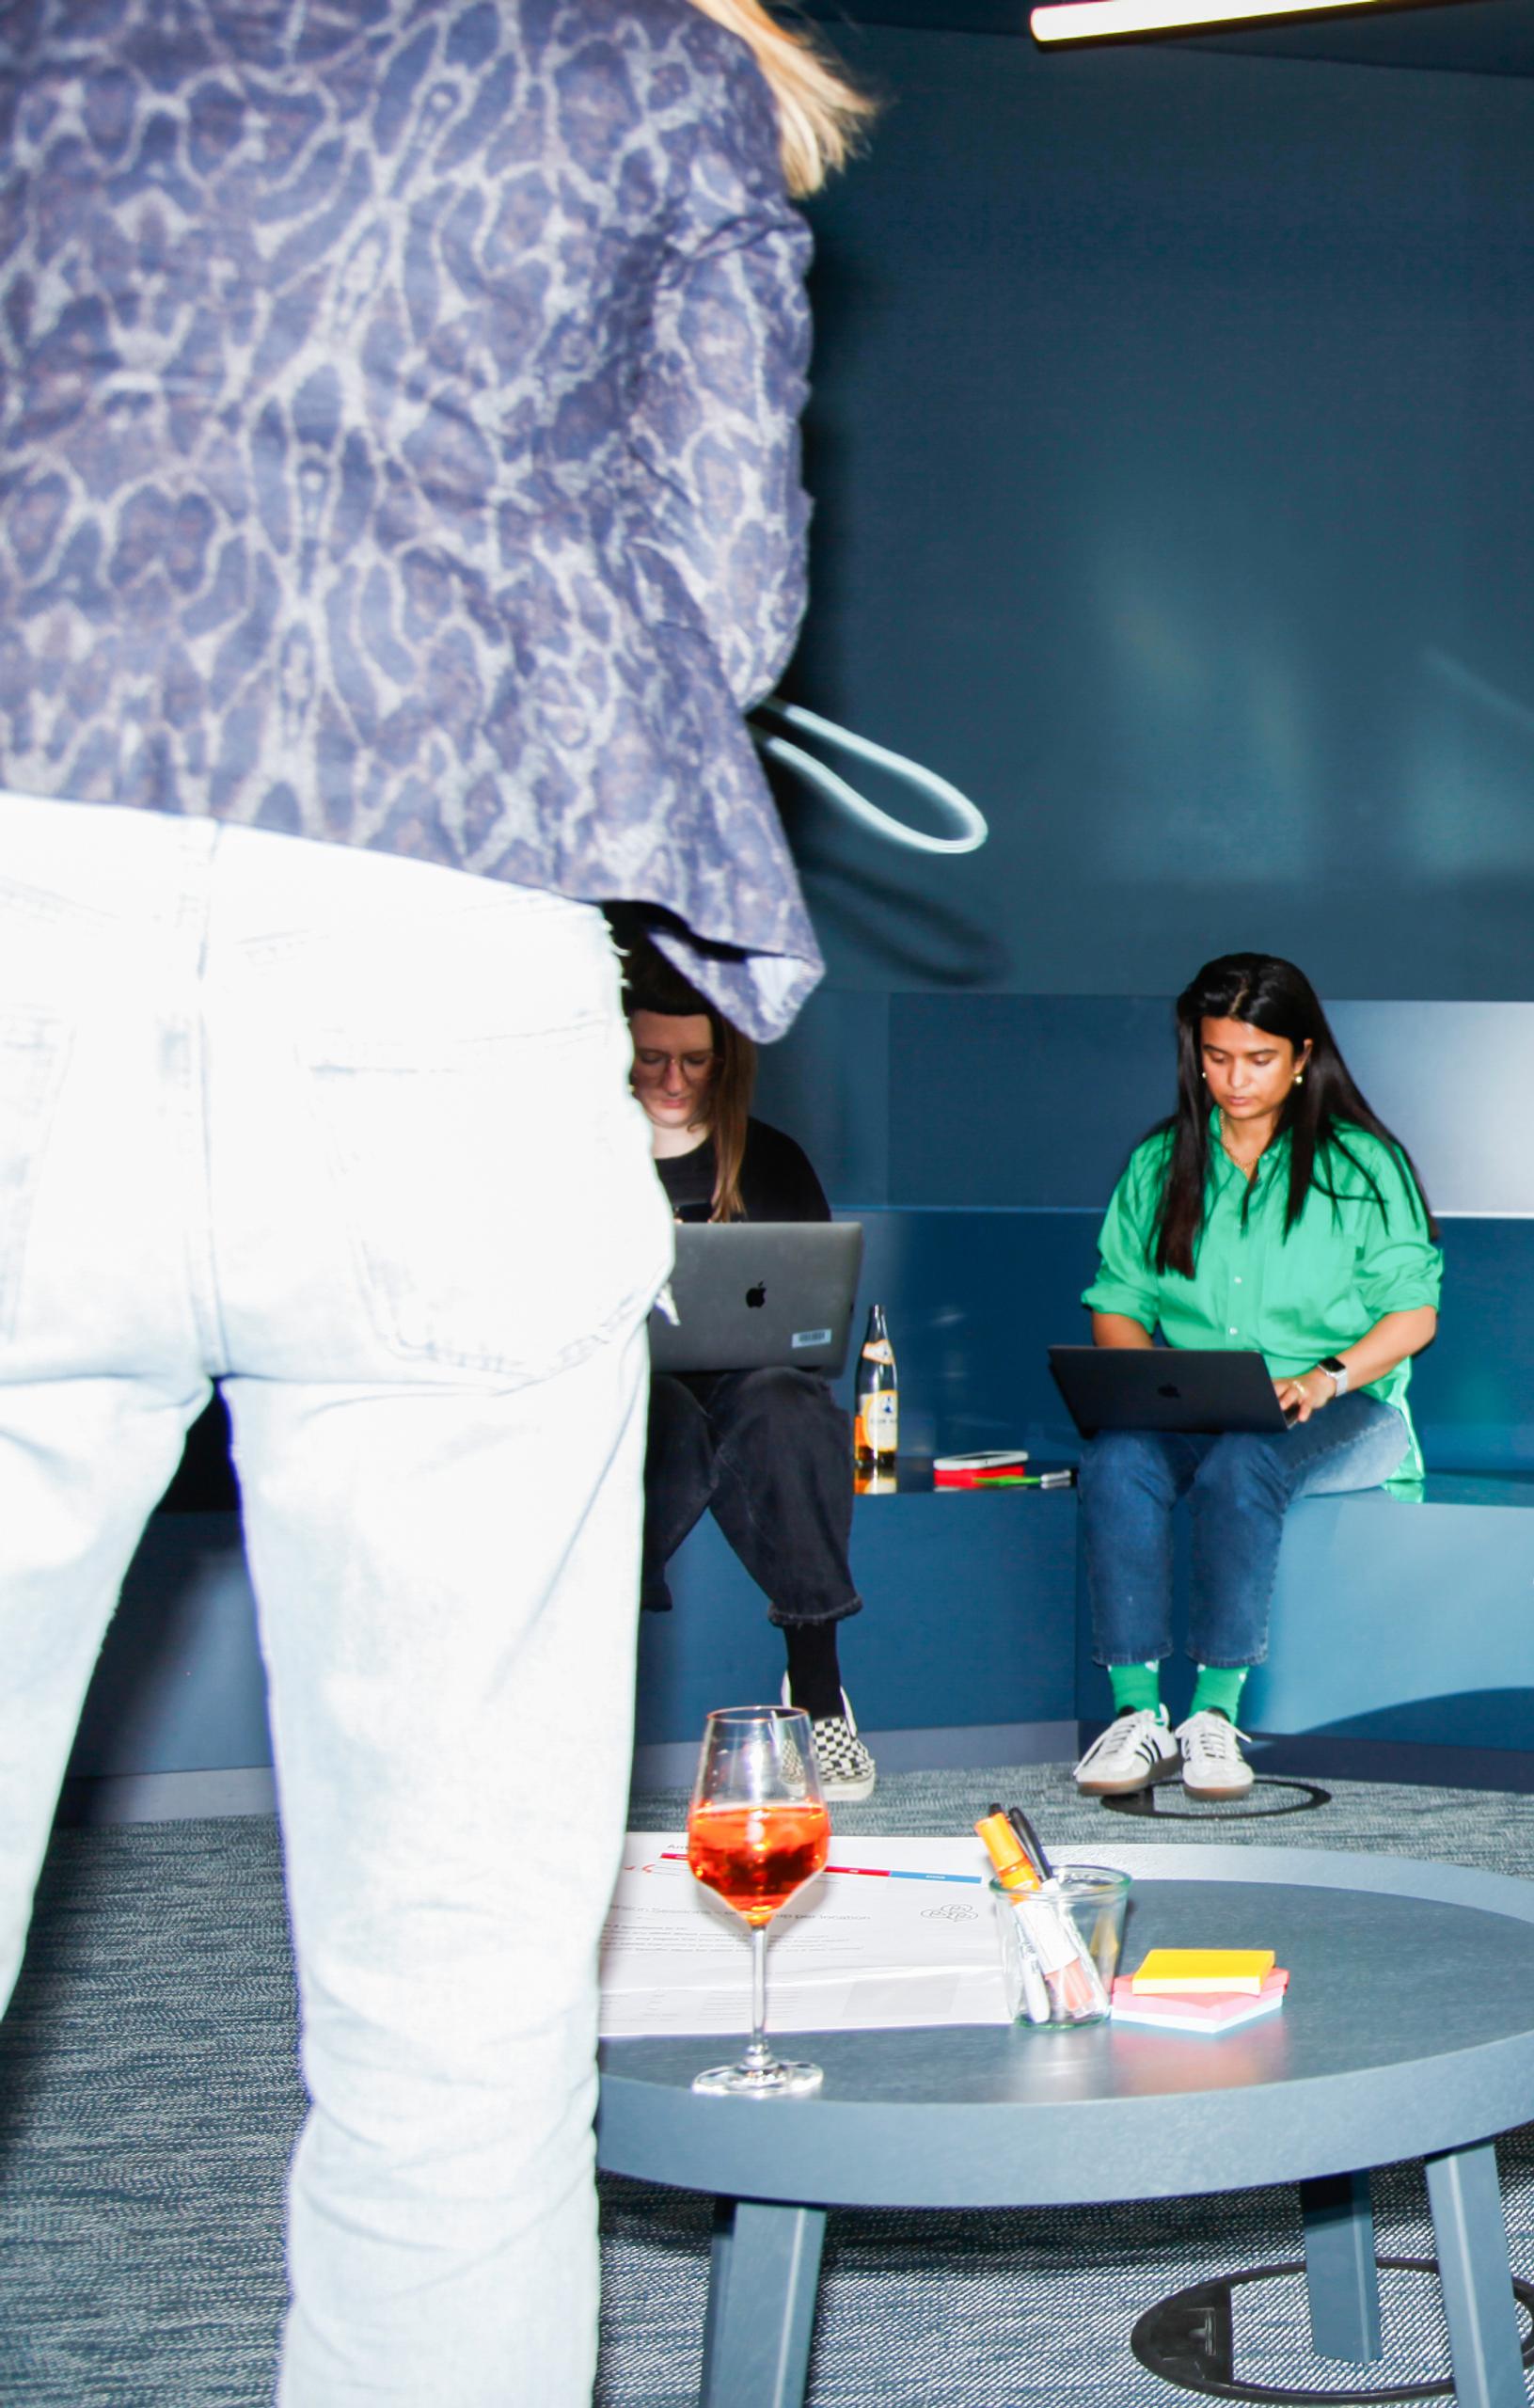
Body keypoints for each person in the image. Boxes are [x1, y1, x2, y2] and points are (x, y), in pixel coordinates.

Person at [0, 5, 864, 2400]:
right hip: (440, 959)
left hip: (22, 880)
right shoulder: (645, 68)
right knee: (461, 2026)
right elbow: (721, 588)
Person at [1071, 956, 1444, 1802]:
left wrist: (1320, 1380)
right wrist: (1151, 1388)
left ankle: (1212, 1715)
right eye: (1217, 1057)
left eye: (1259, 1059)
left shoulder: (1361, 1165)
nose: (1234, 1079)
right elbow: (1117, 1301)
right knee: (1118, 1457)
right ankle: (1135, 1713)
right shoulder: (1162, 1162)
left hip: (1347, 1408)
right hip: (1200, 1408)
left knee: (1246, 1462)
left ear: (1303, 1053)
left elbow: (1413, 1317)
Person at [626, 948, 878, 1802]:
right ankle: (592, 1678)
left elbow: (808, 1318)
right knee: (650, 1415)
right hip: (630, 1384)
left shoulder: (768, 1159)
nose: (672, 1078)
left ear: (724, 1061)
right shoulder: (583, 1155)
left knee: (786, 1404)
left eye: (693, 1061)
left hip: (747, 1385)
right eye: (652, 1058)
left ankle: (817, 1686)